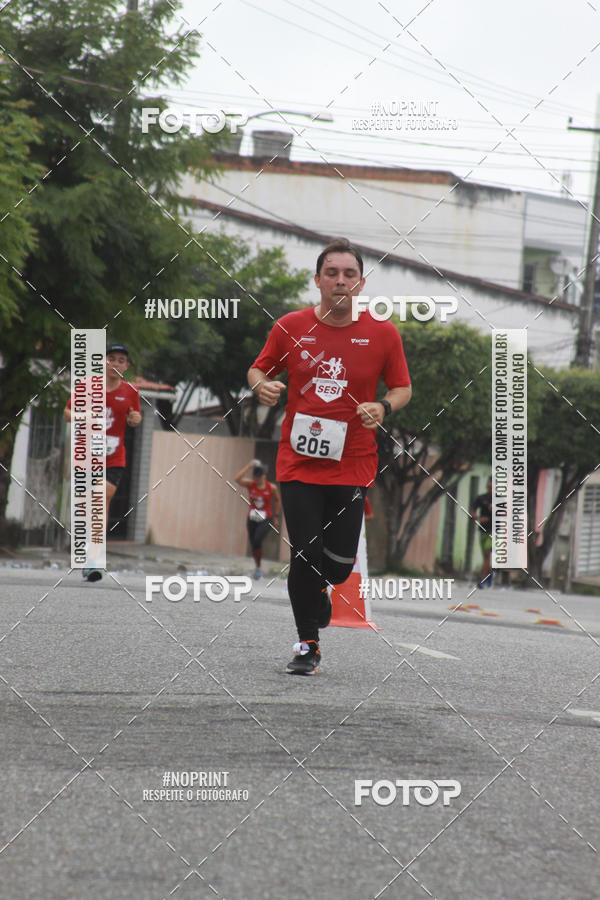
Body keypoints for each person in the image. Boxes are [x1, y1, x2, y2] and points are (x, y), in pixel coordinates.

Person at [248, 237, 411, 675]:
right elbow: (260, 367)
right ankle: (307, 644)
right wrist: (259, 384)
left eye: (350, 274)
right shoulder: (290, 326)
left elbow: (401, 387)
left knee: (337, 567)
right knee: (304, 552)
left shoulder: (382, 332)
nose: (340, 280)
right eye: (332, 273)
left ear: (360, 283)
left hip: (353, 461)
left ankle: (323, 588)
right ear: (318, 279)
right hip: (298, 460)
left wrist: (384, 407)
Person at [64, 343, 142, 581]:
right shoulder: (87, 386)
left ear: (126, 366)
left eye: (121, 360)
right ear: (103, 362)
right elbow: (67, 414)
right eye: (112, 359)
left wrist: (135, 418)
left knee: (101, 497)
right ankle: (90, 551)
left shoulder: (131, 391)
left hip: (114, 456)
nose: (116, 364)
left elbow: (135, 418)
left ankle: (94, 558)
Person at [234, 459, 281, 579]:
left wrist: (276, 517)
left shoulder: (272, 487)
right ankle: (258, 567)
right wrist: (249, 466)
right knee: (254, 544)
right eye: (255, 477)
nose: (257, 479)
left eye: (259, 477)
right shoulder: (251, 484)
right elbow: (237, 479)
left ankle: (258, 567)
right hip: (252, 518)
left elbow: (277, 500)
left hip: (266, 518)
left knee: (257, 538)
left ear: (264, 476)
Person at [471, 477, 493, 588]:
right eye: (489, 487)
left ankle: (482, 580)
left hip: (496, 531)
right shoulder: (481, 498)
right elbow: (472, 511)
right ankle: (490, 575)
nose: (490, 489)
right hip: (483, 530)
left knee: (487, 553)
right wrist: (478, 517)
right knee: (486, 557)